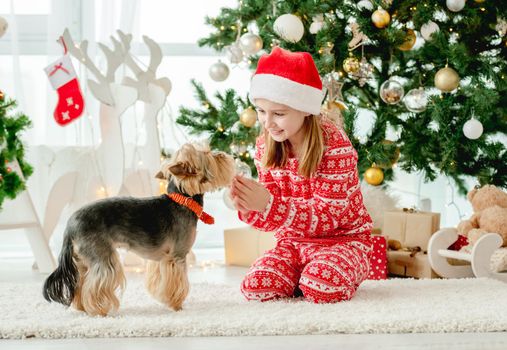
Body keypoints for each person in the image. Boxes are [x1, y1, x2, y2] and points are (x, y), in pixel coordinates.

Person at [230, 47, 373, 303]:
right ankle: (303, 275)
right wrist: (248, 205)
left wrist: (268, 204)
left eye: (279, 113)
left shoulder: (334, 146)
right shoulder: (267, 144)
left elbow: (328, 217)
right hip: (293, 244)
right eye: (261, 111)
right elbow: (272, 220)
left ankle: (322, 274)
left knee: (321, 285)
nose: (267, 122)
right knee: (257, 286)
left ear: (306, 108)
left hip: (343, 241)